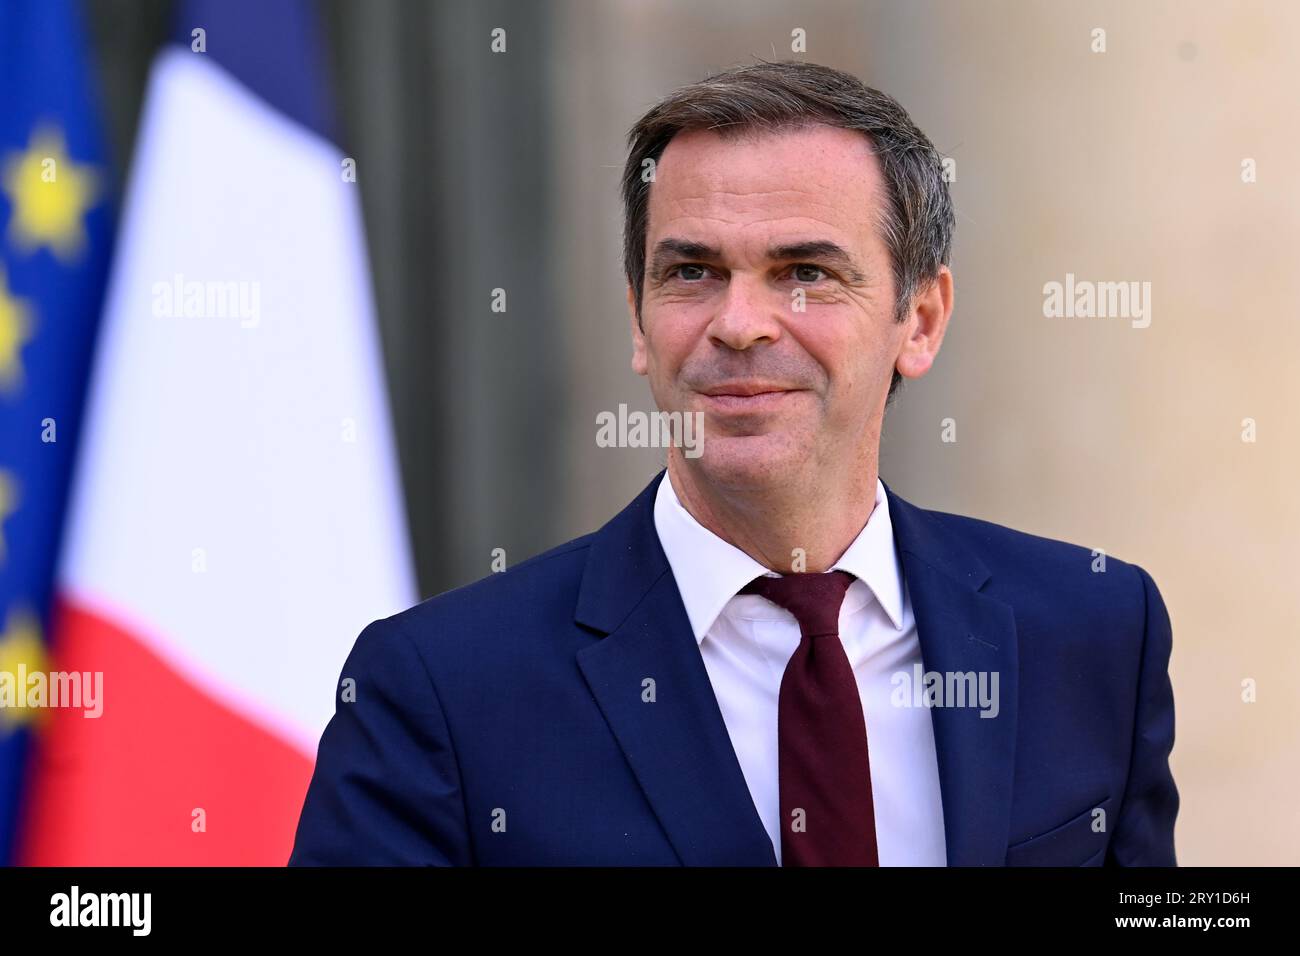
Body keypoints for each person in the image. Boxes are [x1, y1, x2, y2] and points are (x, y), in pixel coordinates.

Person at [289, 60, 1177, 866]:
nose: (740, 323)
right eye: (693, 273)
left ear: (921, 319)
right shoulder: (442, 691)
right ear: (639, 318)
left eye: (804, 272)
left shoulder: (1093, 632)